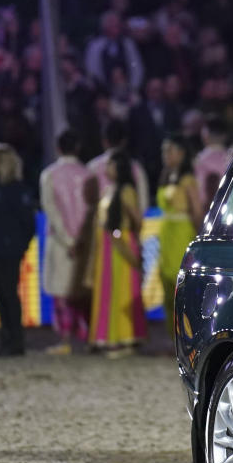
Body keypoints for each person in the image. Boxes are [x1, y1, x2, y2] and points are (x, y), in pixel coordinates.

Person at [40, 130, 97, 355]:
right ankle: (87, 336)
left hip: (61, 242)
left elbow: (51, 209)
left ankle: (64, 339)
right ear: (78, 148)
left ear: (58, 148)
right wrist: (81, 239)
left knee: (61, 294)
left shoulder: (49, 175)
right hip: (85, 243)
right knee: (83, 291)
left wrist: (67, 239)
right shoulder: (88, 174)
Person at [0, 143, 36, 357]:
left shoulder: (15, 190)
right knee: (0, 295)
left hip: (8, 250)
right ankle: (6, 340)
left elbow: (27, 223)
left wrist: (19, 245)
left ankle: (15, 340)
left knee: (9, 295)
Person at [88, 149, 147, 354]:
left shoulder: (126, 191)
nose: (107, 168)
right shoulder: (108, 190)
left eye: (111, 165)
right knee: (107, 290)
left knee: (122, 290)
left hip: (120, 245)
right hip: (106, 247)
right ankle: (107, 337)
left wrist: (131, 239)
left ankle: (126, 337)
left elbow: (137, 219)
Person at [156, 134, 202, 334]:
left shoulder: (188, 179)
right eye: (164, 151)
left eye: (170, 150)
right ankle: (172, 336)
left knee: (180, 285)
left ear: (182, 154)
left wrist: (199, 239)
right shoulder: (167, 177)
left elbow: (197, 211)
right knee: (165, 284)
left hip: (182, 234)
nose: (165, 155)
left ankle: (186, 336)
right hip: (167, 234)